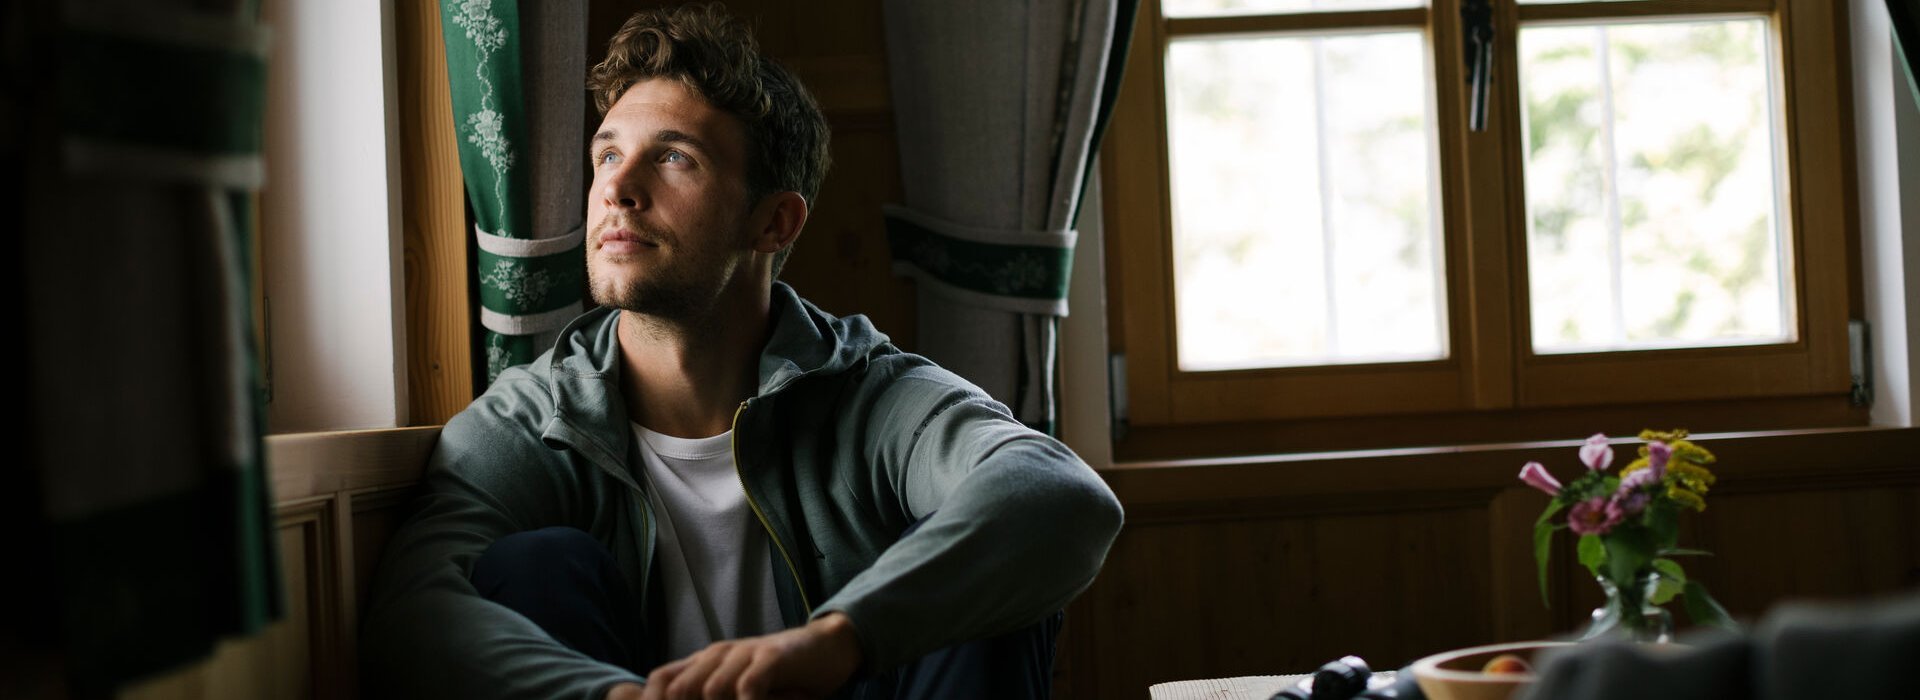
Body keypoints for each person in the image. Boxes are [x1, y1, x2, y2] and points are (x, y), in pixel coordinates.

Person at [359, 5, 1124, 700]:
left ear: (774, 223)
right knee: (529, 567)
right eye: (606, 155)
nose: (616, 188)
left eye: (674, 158)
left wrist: (841, 638)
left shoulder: (869, 393)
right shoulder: (535, 419)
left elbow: (1062, 495)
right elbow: (416, 607)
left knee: (991, 574)